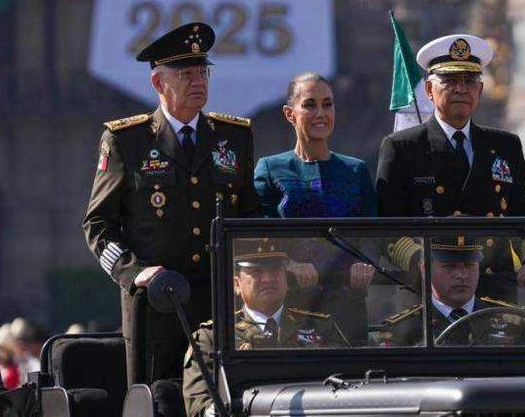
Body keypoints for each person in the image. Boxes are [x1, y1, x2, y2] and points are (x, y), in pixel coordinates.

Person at [83, 22, 260, 393]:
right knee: (158, 396)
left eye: (202, 72)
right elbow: (98, 225)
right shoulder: (126, 141)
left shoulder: (234, 137)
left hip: (220, 300)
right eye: (185, 73)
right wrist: (134, 273)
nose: (198, 81)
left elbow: (249, 218)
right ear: (158, 83)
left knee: (224, 396)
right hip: (157, 303)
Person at [375, 34, 525, 303]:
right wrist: (422, 262)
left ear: (479, 91)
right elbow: (387, 227)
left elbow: (523, 216)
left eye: (469, 81)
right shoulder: (403, 147)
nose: (461, 89)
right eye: (450, 81)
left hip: (494, 291)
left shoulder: (505, 146)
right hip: (427, 293)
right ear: (430, 90)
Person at [253, 72, 377, 343]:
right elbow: (260, 236)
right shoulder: (270, 169)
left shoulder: (355, 170)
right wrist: (289, 264)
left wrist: (364, 262)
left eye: (328, 104)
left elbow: (372, 233)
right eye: (310, 105)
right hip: (293, 304)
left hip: (347, 304)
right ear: (290, 114)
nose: (321, 113)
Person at [182, 240, 349, 417]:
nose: (268, 278)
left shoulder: (320, 326)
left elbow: (349, 380)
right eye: (256, 272)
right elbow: (198, 405)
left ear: (286, 280)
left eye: (276, 270)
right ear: (237, 284)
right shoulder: (213, 337)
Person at [380, 236, 525, 347]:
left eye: (470, 266)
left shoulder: (515, 323)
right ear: (425, 270)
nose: (462, 275)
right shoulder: (404, 329)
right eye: (449, 267)